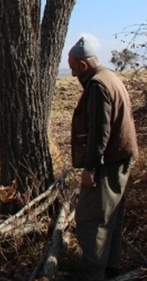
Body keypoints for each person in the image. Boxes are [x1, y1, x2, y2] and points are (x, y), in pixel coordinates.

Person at [68, 37, 138, 281]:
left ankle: (92, 275)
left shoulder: (97, 85)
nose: (73, 74)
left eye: (74, 68)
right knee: (112, 218)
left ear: (83, 65)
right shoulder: (111, 77)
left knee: (92, 221)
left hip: (107, 163)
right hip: (120, 158)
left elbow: (100, 131)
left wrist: (90, 167)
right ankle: (111, 270)